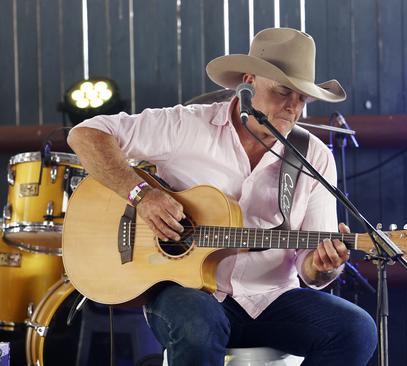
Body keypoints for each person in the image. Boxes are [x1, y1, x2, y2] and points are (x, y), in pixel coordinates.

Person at [67, 27, 377, 366]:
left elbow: (310, 271)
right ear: (249, 81)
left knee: (357, 330)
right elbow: (86, 135)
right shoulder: (186, 126)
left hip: (271, 299)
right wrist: (142, 196)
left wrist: (322, 267)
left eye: (302, 98)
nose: (293, 108)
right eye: (283, 92)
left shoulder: (312, 157)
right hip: (189, 293)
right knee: (199, 327)